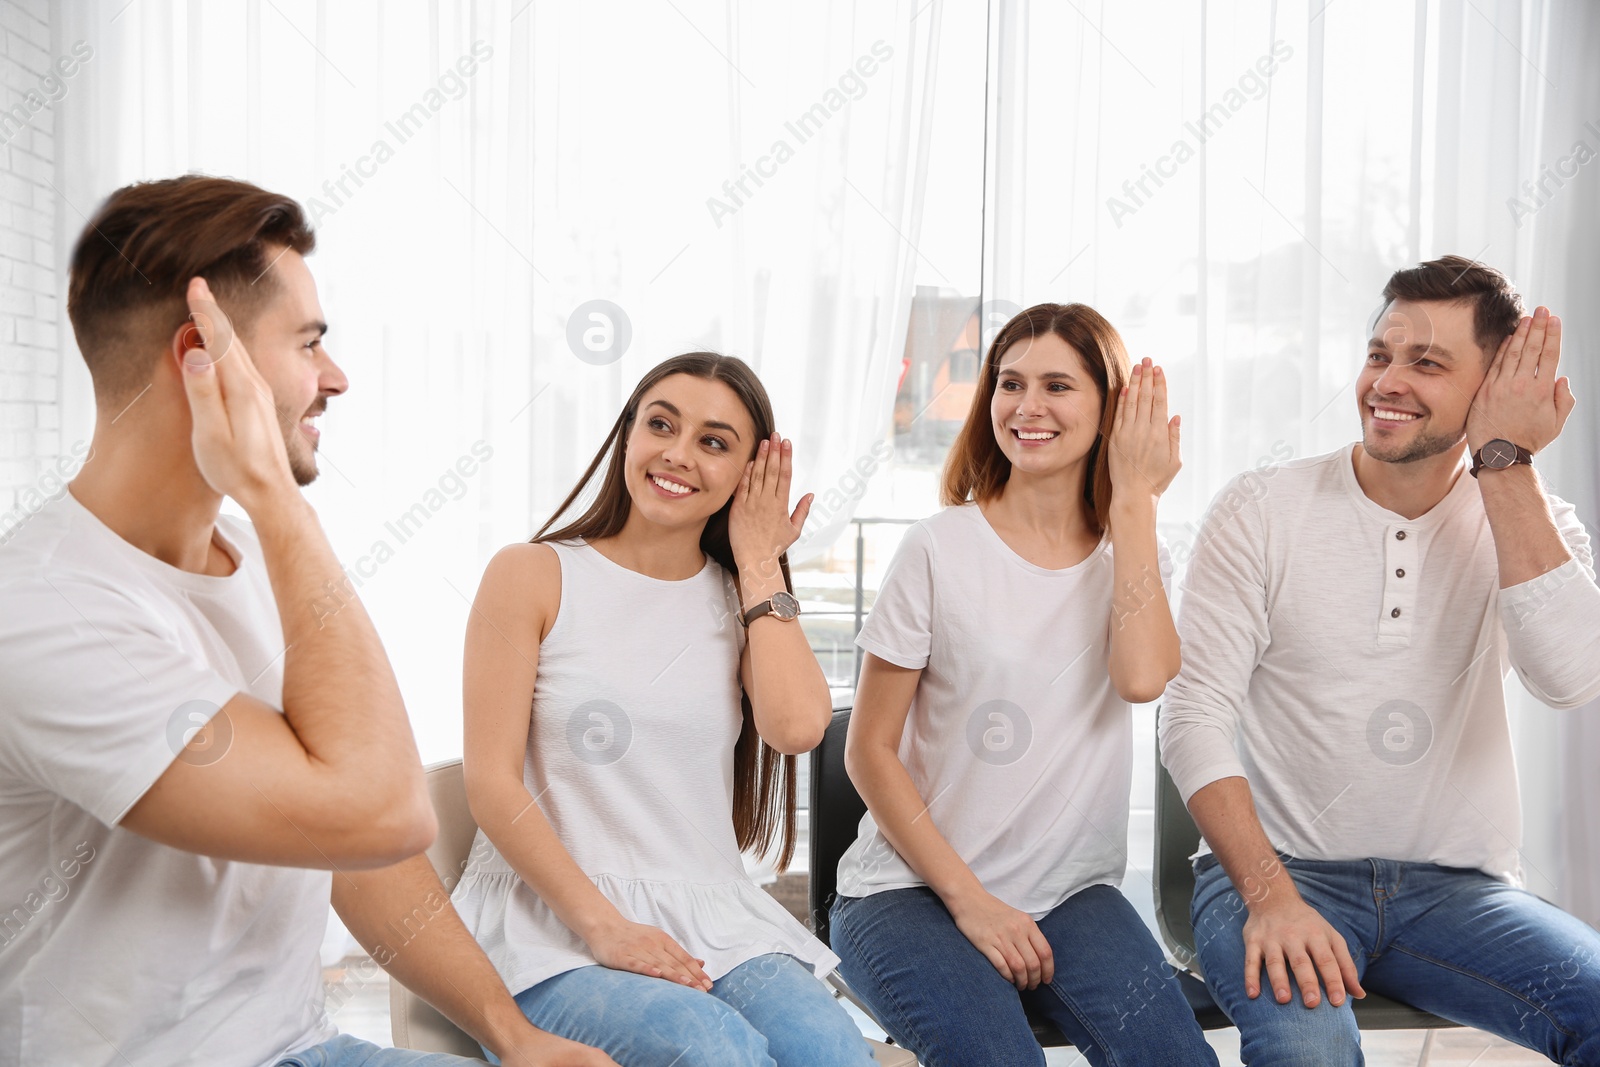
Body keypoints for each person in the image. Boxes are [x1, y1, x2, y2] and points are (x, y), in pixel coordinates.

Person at [0, 175, 616, 1067]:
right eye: (309, 343)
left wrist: (515, 1037)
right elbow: (378, 814)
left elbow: (354, 851)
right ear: (203, 360)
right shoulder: (42, 613)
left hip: (299, 1045)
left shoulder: (252, 551)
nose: (336, 378)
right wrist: (279, 498)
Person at [1162, 255, 1600, 1065]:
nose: (1387, 381)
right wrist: (1271, 896)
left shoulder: (1534, 516)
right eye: (1379, 354)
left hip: (1456, 891)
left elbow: (1570, 677)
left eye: (1427, 363)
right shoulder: (1262, 508)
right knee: (1312, 1053)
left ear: (1492, 382)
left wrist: (1504, 460)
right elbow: (1190, 714)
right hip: (1276, 871)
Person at [450, 352, 875, 1067]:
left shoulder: (739, 598)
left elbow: (797, 727)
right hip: (548, 927)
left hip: (710, 918)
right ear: (628, 434)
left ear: (749, 475)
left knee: (833, 1051)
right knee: (715, 1050)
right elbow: (490, 782)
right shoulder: (532, 574)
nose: (677, 454)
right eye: (661, 424)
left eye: (714, 442)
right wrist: (605, 926)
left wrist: (758, 561)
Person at [828, 303, 1219, 1065]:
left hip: (1073, 894)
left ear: (1108, 410)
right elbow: (868, 749)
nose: (1026, 407)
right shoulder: (939, 548)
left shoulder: (1133, 555)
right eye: (1010, 383)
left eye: (1057, 386)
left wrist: (1135, 502)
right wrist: (971, 903)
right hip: (905, 893)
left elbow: (1141, 680)